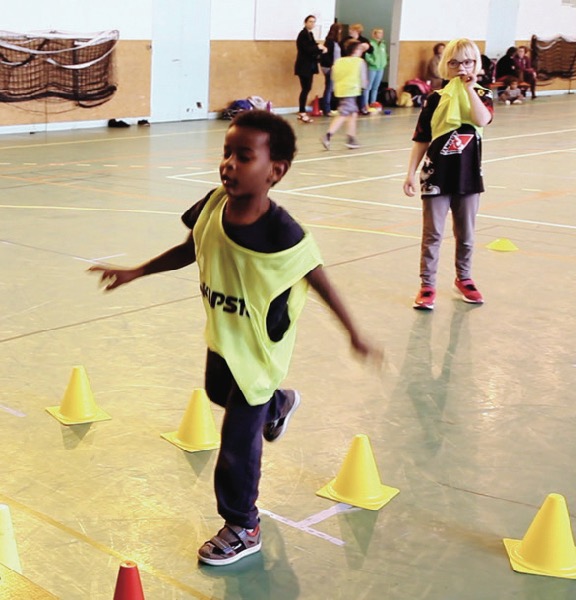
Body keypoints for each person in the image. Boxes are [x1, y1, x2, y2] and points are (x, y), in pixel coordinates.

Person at [89, 110, 381, 566]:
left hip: (260, 352)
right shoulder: (211, 206)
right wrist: (136, 272)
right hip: (225, 336)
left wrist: (354, 334)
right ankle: (278, 404)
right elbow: (192, 248)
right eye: (227, 153)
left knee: (237, 443)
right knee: (214, 392)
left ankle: (244, 524)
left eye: (243, 156)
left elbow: (320, 280)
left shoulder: (283, 233)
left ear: (275, 171)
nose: (228, 164)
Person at [403, 38, 494, 310]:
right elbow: (421, 138)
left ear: (475, 64)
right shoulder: (435, 99)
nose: (461, 68)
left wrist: (469, 90)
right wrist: (410, 173)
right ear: (446, 66)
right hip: (436, 175)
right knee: (432, 233)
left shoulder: (483, 95)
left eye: (467, 62)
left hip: (468, 176)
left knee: (466, 232)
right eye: (454, 63)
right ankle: (427, 284)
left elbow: (481, 119)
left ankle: (464, 278)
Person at [321, 40, 368, 151]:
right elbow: (363, 78)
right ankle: (328, 135)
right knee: (343, 114)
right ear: (356, 50)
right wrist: (364, 86)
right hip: (351, 90)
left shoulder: (339, 61)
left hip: (340, 90)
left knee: (352, 114)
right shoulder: (359, 62)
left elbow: (333, 75)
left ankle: (351, 138)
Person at [294, 15, 327, 123]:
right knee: (305, 89)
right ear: (305, 22)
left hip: (309, 66)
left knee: (307, 88)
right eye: (310, 21)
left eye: (314, 22)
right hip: (303, 66)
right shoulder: (303, 34)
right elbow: (307, 49)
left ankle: (301, 112)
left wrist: (321, 49)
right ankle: (302, 112)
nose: (312, 24)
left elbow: (313, 46)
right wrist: (318, 47)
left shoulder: (310, 34)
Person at [341, 24, 373, 114]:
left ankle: (363, 107)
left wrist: (367, 46)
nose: (350, 31)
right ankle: (350, 107)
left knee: (361, 89)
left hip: (358, 65)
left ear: (357, 31)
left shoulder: (363, 40)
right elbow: (342, 50)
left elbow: (371, 50)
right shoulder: (345, 40)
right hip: (349, 65)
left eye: (352, 30)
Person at [321, 23, 343, 116]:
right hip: (330, 67)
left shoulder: (336, 42)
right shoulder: (329, 42)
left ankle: (330, 107)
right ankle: (326, 109)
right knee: (329, 87)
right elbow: (325, 55)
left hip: (335, 67)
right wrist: (331, 65)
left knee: (331, 87)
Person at [364, 28, 388, 106]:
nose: (381, 35)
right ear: (374, 34)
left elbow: (385, 55)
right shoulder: (370, 44)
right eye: (379, 33)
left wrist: (385, 62)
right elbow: (367, 55)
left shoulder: (383, 45)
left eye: (382, 33)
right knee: (368, 87)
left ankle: (373, 102)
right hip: (372, 68)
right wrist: (372, 62)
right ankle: (365, 104)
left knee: (376, 87)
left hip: (380, 68)